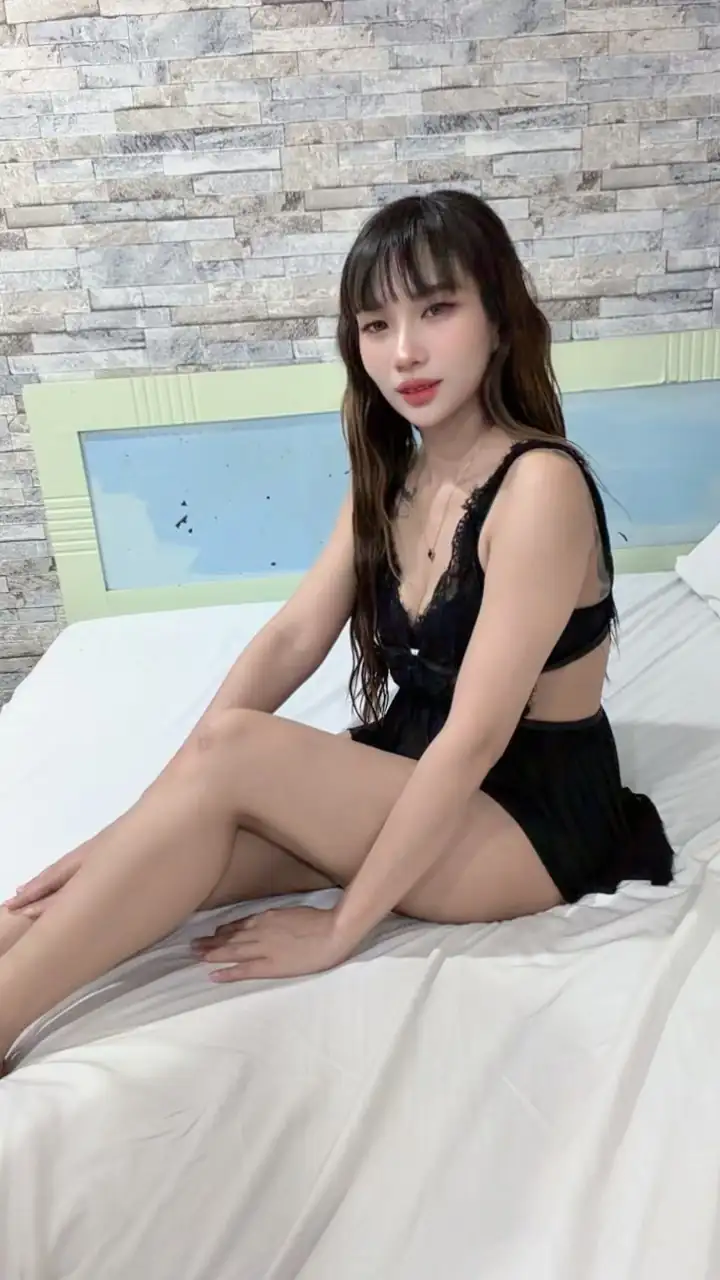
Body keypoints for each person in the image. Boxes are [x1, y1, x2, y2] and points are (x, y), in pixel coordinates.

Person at [0, 189, 674, 1070]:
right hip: (414, 769)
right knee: (184, 839)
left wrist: (340, 929)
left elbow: (475, 738)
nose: (405, 352)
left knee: (235, 751)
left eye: (437, 309)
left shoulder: (540, 485)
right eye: (375, 325)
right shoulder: (392, 479)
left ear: (499, 319)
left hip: (527, 821)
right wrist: (124, 829)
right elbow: (290, 639)